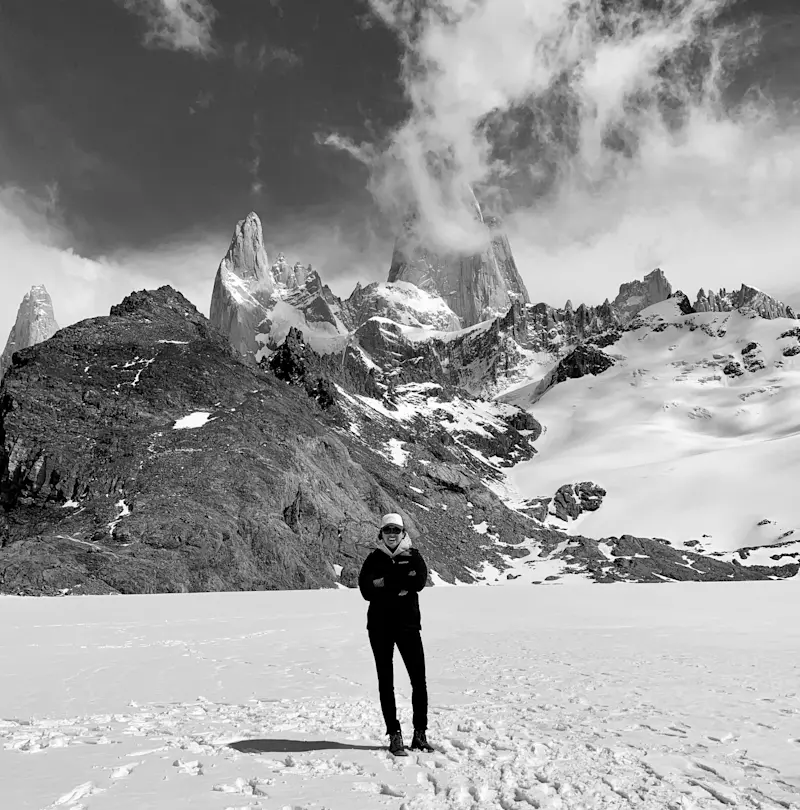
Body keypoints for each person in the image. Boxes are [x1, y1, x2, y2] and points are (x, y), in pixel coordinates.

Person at [358, 513, 434, 756]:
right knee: (385, 682)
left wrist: (382, 583)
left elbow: (419, 582)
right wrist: (400, 581)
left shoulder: (414, 556)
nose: (392, 534)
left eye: (396, 530)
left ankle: (420, 734)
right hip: (379, 627)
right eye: (388, 529)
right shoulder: (373, 558)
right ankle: (394, 734)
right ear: (381, 533)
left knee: (418, 680)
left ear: (403, 533)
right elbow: (366, 590)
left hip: (408, 626)